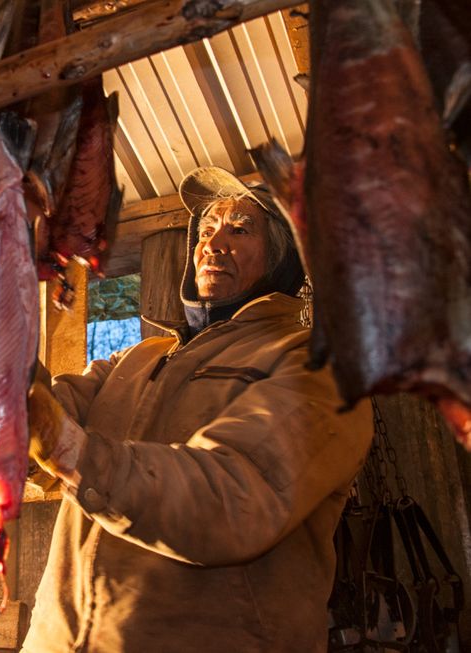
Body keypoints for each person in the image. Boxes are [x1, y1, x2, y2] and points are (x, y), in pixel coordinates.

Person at [22, 166, 374, 652]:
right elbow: (35, 428)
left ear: (283, 256)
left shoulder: (315, 364)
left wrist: (65, 447)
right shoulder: (138, 356)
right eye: (206, 230)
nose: (212, 243)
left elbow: (234, 498)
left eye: (239, 229)